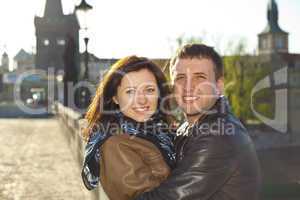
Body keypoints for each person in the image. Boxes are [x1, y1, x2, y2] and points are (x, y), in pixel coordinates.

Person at [135, 44, 261, 200]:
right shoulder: (189, 127)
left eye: (200, 77)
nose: (188, 87)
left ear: (219, 86)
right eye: (180, 78)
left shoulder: (218, 136)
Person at [81, 56, 176, 200]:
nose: (142, 99)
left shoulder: (160, 131)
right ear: (115, 98)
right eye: (130, 91)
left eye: (149, 90)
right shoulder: (115, 142)